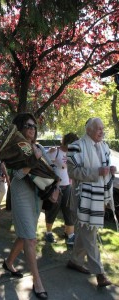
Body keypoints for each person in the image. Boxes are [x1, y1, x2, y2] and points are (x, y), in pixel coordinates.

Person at [3, 113, 55, 299]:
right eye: (27, 125)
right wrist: (33, 160)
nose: (32, 128)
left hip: (37, 196)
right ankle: (37, 281)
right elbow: (16, 176)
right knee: (30, 239)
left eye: (34, 125)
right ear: (19, 128)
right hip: (20, 194)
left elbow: (50, 171)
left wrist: (54, 188)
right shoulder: (14, 148)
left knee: (25, 234)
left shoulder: (39, 147)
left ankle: (8, 263)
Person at [66, 117, 117, 287]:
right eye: (98, 129)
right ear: (89, 130)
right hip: (82, 199)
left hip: (98, 198)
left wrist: (110, 171)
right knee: (90, 233)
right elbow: (73, 173)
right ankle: (100, 273)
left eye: (103, 128)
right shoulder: (76, 146)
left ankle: (75, 261)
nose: (102, 131)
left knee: (84, 232)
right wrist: (97, 172)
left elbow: (104, 171)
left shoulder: (104, 147)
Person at [44, 133, 79, 245]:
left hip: (68, 186)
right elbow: (45, 166)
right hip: (56, 187)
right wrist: (54, 179)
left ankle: (70, 236)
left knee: (69, 210)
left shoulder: (72, 153)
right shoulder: (55, 151)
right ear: (67, 142)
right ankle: (48, 233)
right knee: (52, 210)